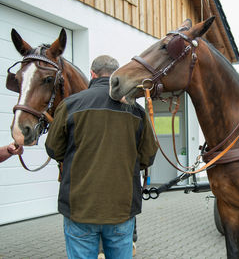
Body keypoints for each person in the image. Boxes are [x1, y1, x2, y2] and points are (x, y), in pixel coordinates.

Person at [45, 55, 157, 258]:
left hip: (80, 207)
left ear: (92, 74)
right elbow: (148, 157)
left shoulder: (71, 104)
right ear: (115, 74)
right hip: (121, 208)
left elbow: (54, 149)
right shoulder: (136, 111)